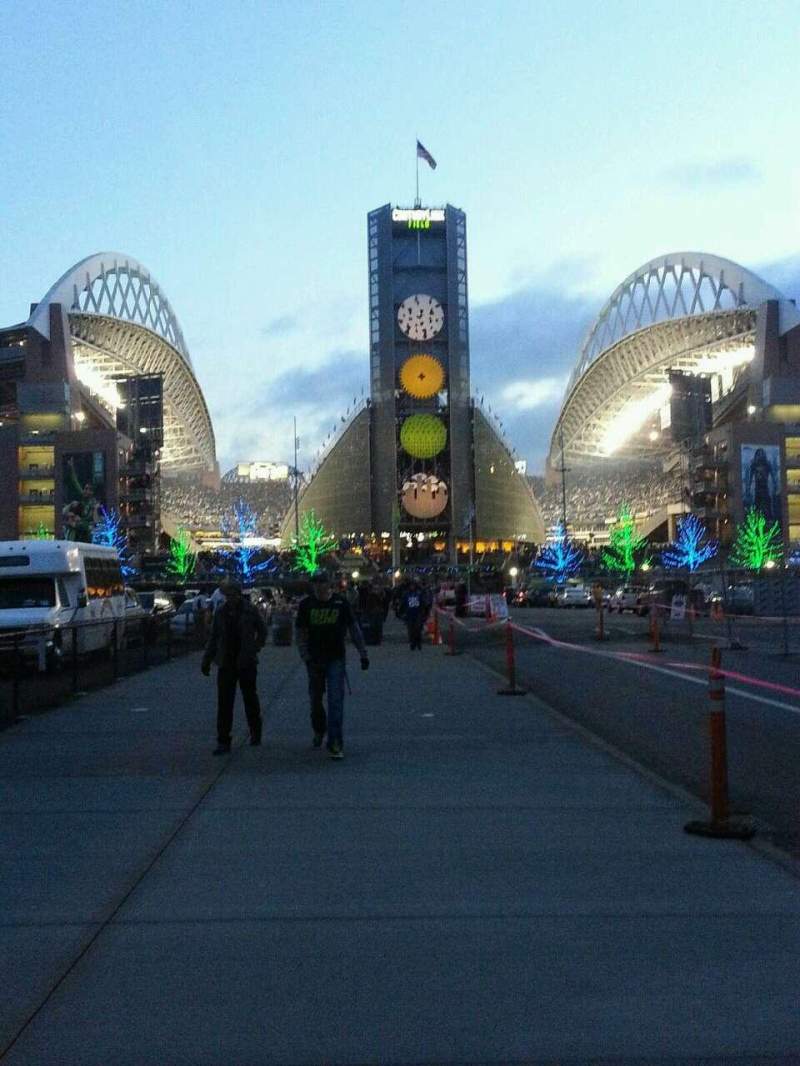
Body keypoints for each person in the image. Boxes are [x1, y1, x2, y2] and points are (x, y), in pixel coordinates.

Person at [295, 570, 368, 760]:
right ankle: (319, 729)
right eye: (316, 582)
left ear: (329, 584)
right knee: (315, 701)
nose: (319, 586)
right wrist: (305, 656)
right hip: (314, 659)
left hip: (335, 658)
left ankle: (335, 741)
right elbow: (300, 633)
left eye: (322, 582)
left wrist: (363, 653)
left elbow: (353, 629)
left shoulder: (340, 604)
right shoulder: (306, 605)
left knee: (335, 700)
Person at [201, 579, 267, 755]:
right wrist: (207, 659)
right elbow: (214, 637)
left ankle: (255, 731)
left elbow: (262, 631)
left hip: (246, 661)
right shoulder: (221, 612)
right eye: (227, 595)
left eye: (232, 595)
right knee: (225, 703)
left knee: (250, 699)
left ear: (238, 594)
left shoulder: (250, 610)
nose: (229, 598)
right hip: (226, 661)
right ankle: (223, 740)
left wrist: (254, 648)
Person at [400, 579, 429, 651]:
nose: (412, 587)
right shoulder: (406, 594)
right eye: (411, 586)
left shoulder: (419, 594)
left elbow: (423, 603)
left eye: (413, 585)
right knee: (411, 630)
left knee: (418, 629)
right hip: (409, 614)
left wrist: (424, 612)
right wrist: (402, 612)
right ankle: (412, 643)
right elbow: (403, 604)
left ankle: (418, 642)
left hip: (418, 613)